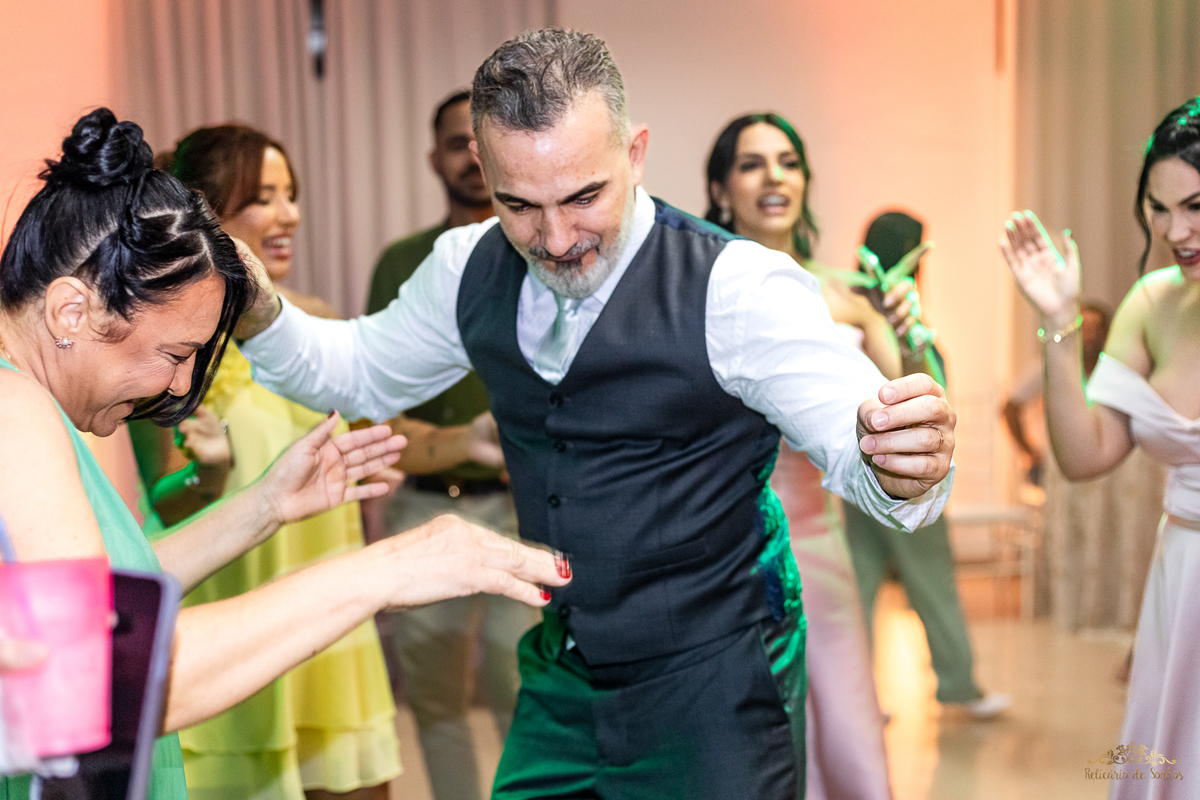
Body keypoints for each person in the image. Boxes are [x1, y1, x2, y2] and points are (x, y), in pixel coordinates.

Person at [234, 30, 956, 799]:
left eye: (584, 197)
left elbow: (854, 439)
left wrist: (901, 462)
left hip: (719, 679)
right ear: (483, 168)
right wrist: (258, 310)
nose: (556, 240)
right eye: (519, 204)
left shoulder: (737, 286)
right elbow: (358, 371)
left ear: (635, 154)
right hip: (563, 675)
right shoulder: (465, 267)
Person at [0, 108, 568, 800]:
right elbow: (97, 684)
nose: (178, 386)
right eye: (174, 354)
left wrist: (265, 505)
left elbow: (119, 594)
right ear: (71, 311)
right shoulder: (15, 409)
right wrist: (385, 570)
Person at [131, 123, 403, 800]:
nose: (289, 215)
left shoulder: (320, 325)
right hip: (235, 619)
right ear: (205, 211)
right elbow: (161, 500)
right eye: (264, 197)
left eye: (291, 194)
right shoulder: (172, 340)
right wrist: (209, 476)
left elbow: (368, 446)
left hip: (329, 619)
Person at [1002, 96, 1200, 800]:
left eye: (1197, 207)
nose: (1176, 232)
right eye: (1158, 209)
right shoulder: (1154, 302)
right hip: (1183, 577)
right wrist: (1058, 321)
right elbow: (1085, 455)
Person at [705, 111, 898, 800]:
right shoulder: (701, 292)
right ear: (721, 189)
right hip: (729, 551)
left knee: (843, 713)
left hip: (819, 539)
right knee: (759, 728)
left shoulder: (848, 294)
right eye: (752, 163)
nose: (774, 177)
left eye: (787, 162)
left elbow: (915, 412)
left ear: (805, 181)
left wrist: (906, 332)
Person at [367, 90, 537, 800]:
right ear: (433, 159)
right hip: (425, 507)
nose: (469, 156)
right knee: (435, 698)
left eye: (480, 139)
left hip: (522, 513)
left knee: (521, 689)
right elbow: (376, 406)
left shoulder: (542, 249)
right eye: (453, 142)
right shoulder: (405, 260)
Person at [843, 210, 1011, 719]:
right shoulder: (881, 318)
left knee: (859, 586)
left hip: (860, 475)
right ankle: (958, 685)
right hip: (901, 479)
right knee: (930, 581)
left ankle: (865, 698)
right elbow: (916, 392)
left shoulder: (854, 310)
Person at [1001, 301, 1110, 486]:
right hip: (1054, 464)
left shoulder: (1111, 372)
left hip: (1099, 467)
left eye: (1096, 329)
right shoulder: (1052, 367)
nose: (1090, 335)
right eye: (1085, 328)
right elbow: (1010, 407)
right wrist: (1029, 451)